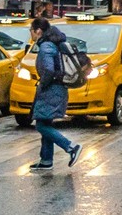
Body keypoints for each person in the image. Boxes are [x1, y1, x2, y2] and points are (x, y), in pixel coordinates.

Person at [29, 16, 83, 172]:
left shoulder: (46, 46)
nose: (31, 34)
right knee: (45, 122)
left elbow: (48, 70)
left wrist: (43, 84)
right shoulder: (53, 44)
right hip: (57, 89)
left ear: (38, 31)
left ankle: (71, 147)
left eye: (31, 31)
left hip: (51, 90)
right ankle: (46, 160)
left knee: (40, 125)